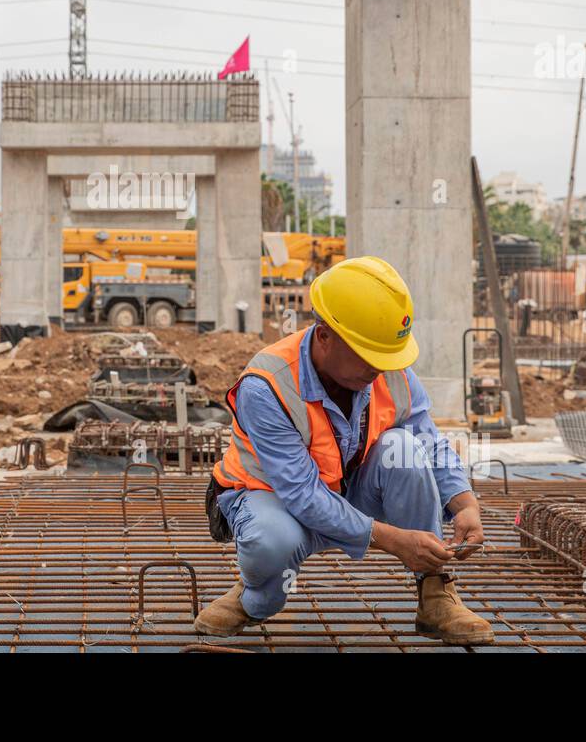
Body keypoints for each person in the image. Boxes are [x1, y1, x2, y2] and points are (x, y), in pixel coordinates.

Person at [194, 256, 494, 645]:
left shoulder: (390, 367)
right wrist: (393, 540)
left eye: (385, 357)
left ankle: (436, 593)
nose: (379, 369)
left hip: (350, 491)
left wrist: (464, 504)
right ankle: (255, 598)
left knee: (402, 447)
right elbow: (301, 494)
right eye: (369, 356)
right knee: (272, 541)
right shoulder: (267, 385)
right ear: (323, 336)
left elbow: (429, 440)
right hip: (274, 500)